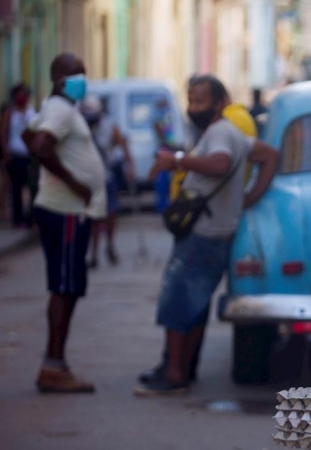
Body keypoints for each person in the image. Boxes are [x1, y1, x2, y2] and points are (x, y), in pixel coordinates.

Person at [134, 75, 279, 396]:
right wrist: (248, 197)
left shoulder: (219, 132)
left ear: (218, 103)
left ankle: (173, 376)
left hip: (203, 235)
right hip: (215, 232)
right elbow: (269, 155)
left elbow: (220, 163)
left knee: (176, 305)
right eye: (191, 100)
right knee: (193, 305)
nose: (193, 107)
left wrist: (178, 160)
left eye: (200, 101)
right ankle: (179, 370)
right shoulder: (231, 132)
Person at [21, 53, 107, 393]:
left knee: (67, 287)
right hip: (67, 210)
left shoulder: (55, 107)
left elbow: (30, 137)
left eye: (84, 73)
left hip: (67, 209)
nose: (82, 80)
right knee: (65, 288)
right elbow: (41, 147)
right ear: (59, 79)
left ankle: (56, 363)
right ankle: (53, 366)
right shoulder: (59, 107)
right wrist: (74, 183)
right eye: (75, 75)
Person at [80, 94, 135, 268]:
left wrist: (129, 165)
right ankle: (94, 253)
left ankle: (110, 246)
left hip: (107, 176)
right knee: (94, 217)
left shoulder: (109, 125)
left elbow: (122, 144)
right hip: (90, 179)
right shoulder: (81, 126)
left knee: (111, 214)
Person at [1, 83, 38, 228]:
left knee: (32, 188)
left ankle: (30, 218)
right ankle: (18, 219)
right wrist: (6, 153)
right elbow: (3, 133)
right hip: (15, 156)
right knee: (15, 188)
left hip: (29, 156)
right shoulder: (10, 113)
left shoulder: (31, 112)